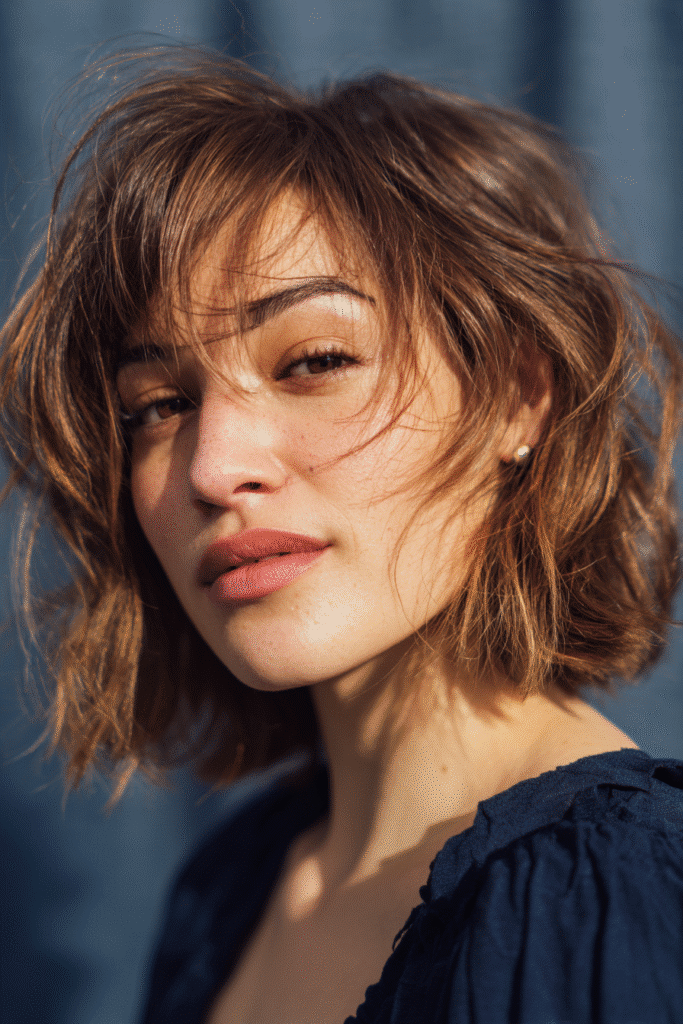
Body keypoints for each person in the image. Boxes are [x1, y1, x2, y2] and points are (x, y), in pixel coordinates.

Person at [1, 42, 682, 1024]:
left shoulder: (615, 895)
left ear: (516, 397)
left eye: (313, 360)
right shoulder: (230, 889)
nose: (209, 466)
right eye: (156, 405)